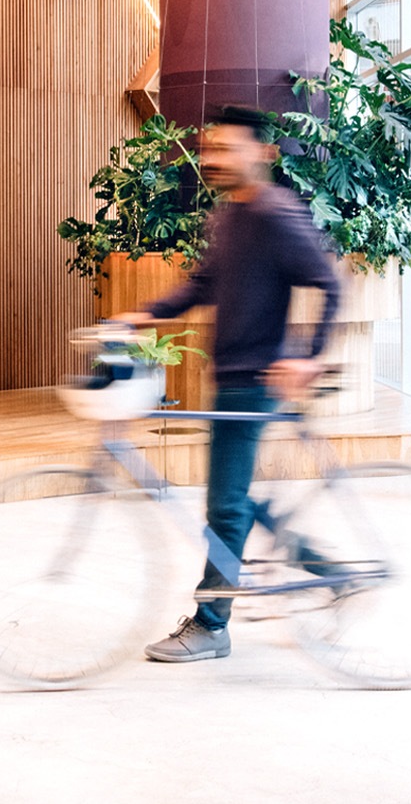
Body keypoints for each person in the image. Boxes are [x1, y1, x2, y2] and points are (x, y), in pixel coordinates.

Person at [114, 107, 341, 663]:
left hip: (256, 379)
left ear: (261, 154)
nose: (212, 158)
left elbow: (329, 284)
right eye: (209, 148)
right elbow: (201, 285)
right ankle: (323, 565)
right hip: (231, 377)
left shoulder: (275, 213)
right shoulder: (230, 217)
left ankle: (213, 624)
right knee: (234, 500)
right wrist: (139, 317)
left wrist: (308, 357)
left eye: (225, 148)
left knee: (224, 506)